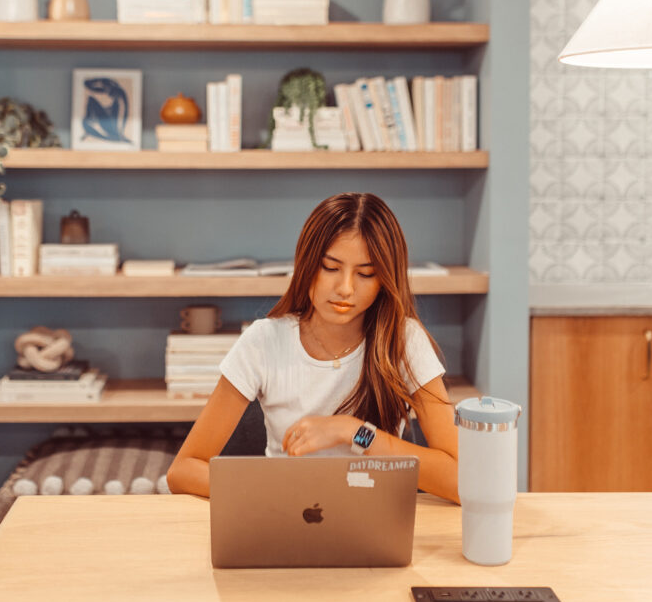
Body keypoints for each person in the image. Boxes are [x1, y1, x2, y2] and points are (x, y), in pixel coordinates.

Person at [166, 192, 459, 503]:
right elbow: (183, 470)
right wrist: (273, 494)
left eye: (365, 274)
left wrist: (354, 431)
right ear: (306, 264)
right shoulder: (264, 341)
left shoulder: (403, 341)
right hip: (283, 518)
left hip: (373, 519)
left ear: (384, 280)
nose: (345, 288)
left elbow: (461, 481)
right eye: (330, 268)